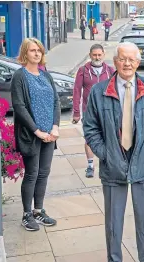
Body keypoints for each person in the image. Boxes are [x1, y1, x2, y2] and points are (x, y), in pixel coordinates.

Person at [83, 42, 144, 262]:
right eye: (122, 59)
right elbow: (90, 128)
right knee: (113, 221)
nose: (127, 63)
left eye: (132, 59)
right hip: (113, 164)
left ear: (138, 62)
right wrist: (105, 154)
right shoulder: (99, 92)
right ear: (115, 61)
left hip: (143, 163)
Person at [11, 38, 61, 231]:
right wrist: (37, 131)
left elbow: (56, 102)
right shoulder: (20, 76)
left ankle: (39, 211)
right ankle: (27, 214)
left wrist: (55, 127)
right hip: (31, 134)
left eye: (39, 50)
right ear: (25, 53)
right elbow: (19, 107)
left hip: (50, 134)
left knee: (43, 173)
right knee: (32, 174)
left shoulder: (45, 75)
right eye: (33, 50)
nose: (37, 54)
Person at [72, 44, 114, 178]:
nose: (97, 57)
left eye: (99, 55)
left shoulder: (111, 71)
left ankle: (108, 162)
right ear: (90, 55)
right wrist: (76, 112)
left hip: (107, 111)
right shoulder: (83, 70)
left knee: (109, 137)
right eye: (94, 55)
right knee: (89, 138)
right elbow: (77, 91)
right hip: (88, 112)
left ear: (104, 55)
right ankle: (90, 165)